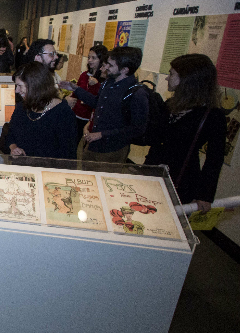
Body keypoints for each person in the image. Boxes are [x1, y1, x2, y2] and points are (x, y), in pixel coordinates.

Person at [145, 54, 226, 211]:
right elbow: (154, 138)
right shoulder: (170, 104)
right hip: (152, 173)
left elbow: (215, 159)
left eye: (172, 74)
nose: (167, 78)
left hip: (181, 182)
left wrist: (205, 194)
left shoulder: (212, 115)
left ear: (187, 79)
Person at [61, 47, 147, 163]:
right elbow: (97, 103)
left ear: (125, 69)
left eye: (110, 65)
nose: (106, 67)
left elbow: (137, 129)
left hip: (112, 150)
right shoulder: (108, 82)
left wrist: (102, 134)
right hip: (93, 145)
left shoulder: (136, 93)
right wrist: (76, 89)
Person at [6, 62, 77, 159]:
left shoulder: (63, 113)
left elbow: (68, 155)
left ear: (35, 85)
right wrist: (13, 148)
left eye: (20, 86)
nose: (16, 90)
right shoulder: (22, 107)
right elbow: (11, 134)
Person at [63, 45, 108, 145]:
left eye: (94, 58)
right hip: (76, 115)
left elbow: (100, 100)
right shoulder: (84, 75)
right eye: (89, 57)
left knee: (86, 146)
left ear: (101, 60)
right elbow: (76, 92)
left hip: (89, 119)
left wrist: (96, 85)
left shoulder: (104, 79)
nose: (90, 60)